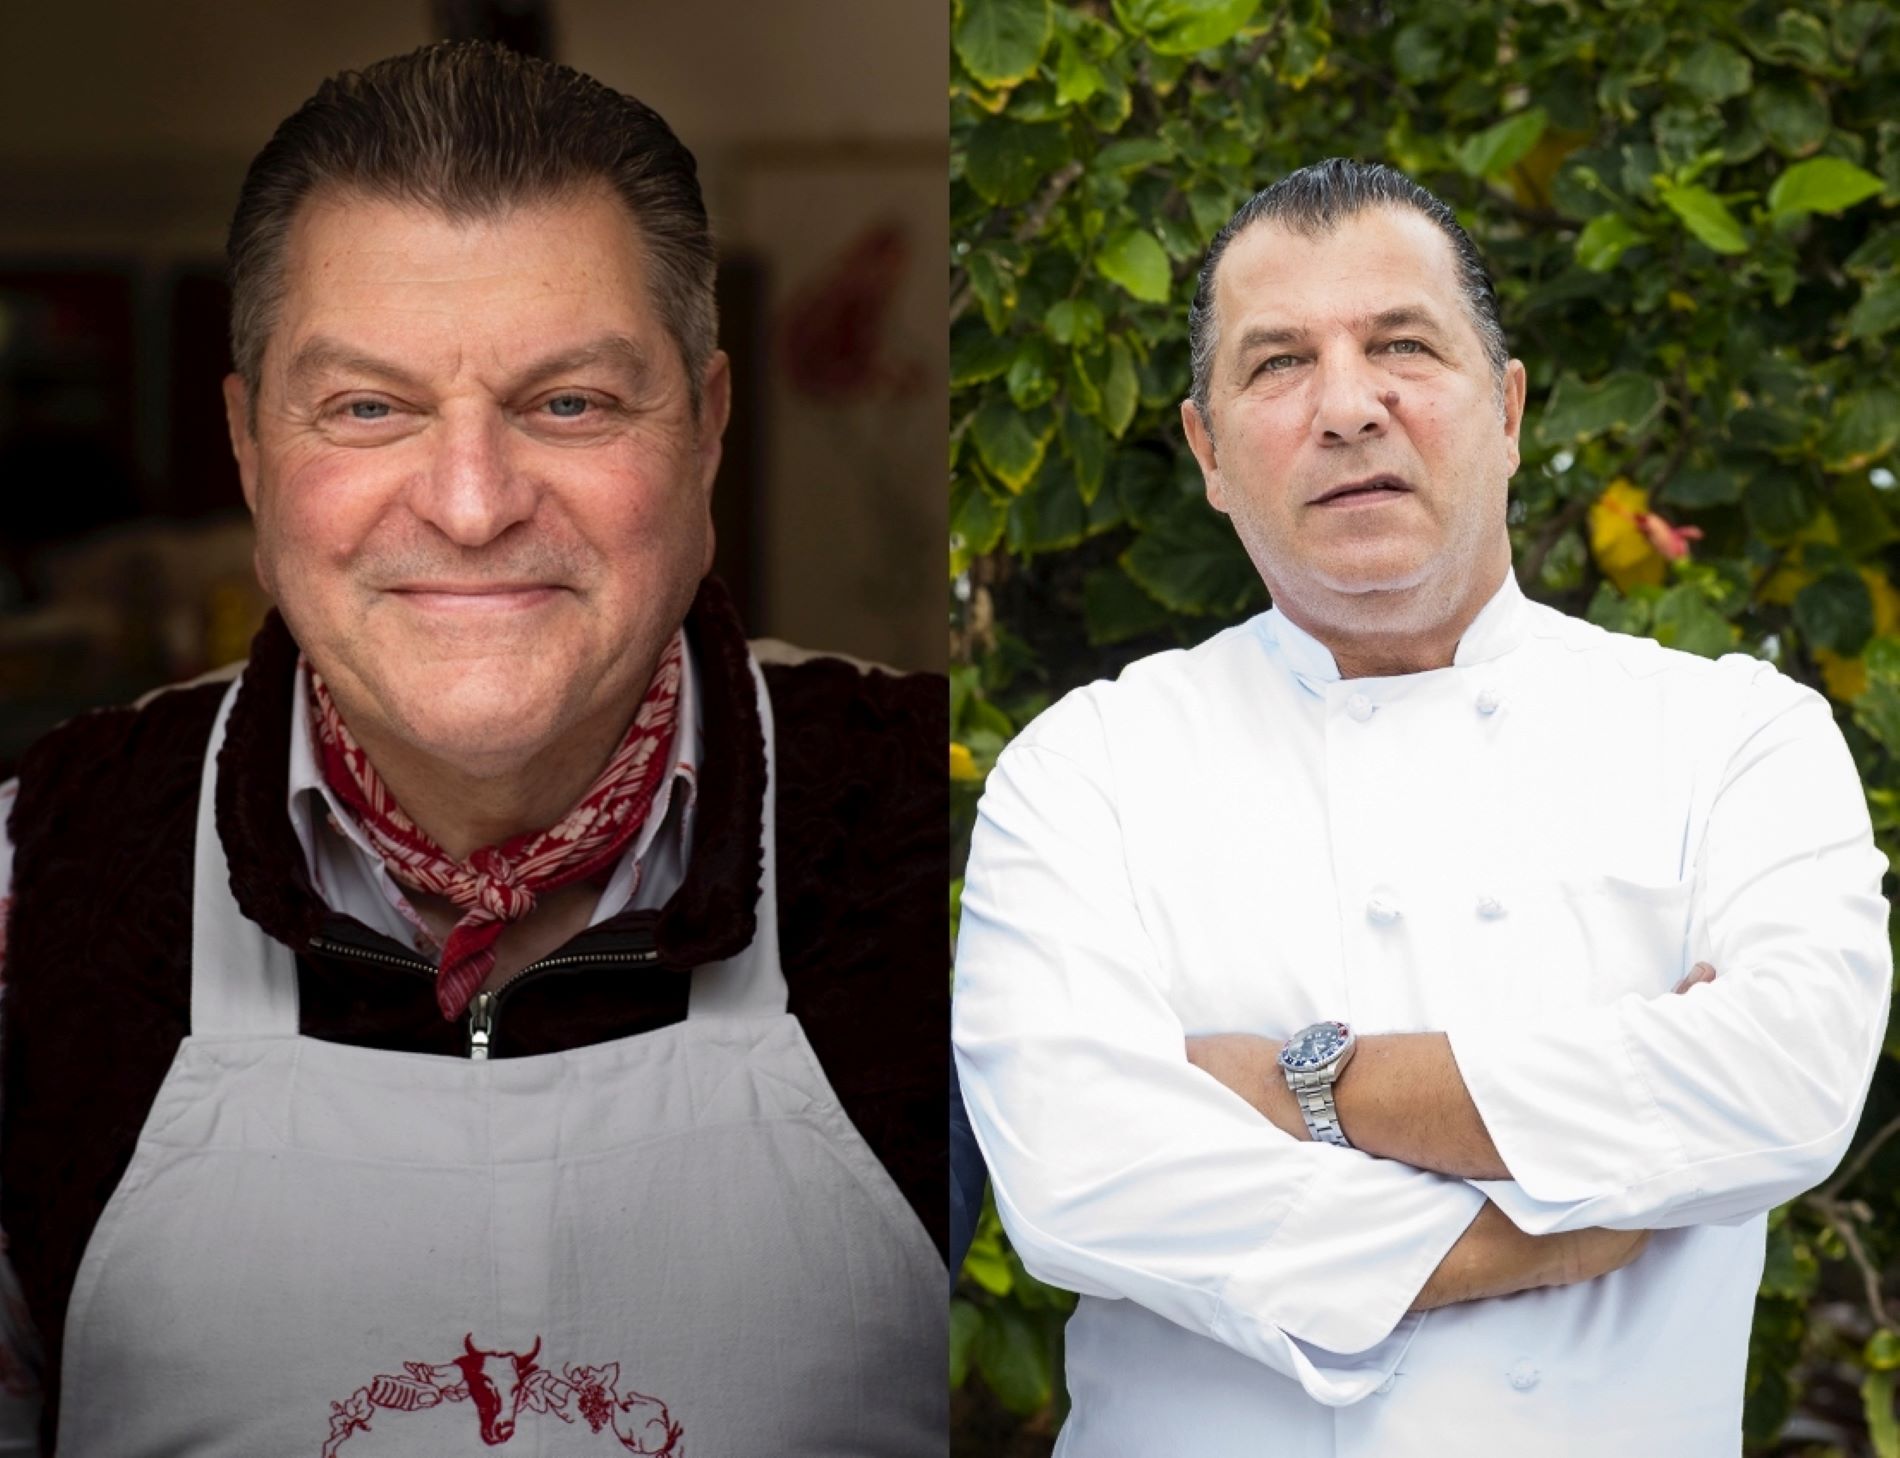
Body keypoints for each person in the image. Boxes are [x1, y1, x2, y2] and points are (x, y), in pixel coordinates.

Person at [0, 41, 945, 1456]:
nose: (470, 502)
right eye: (367, 408)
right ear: (250, 452)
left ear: (705, 433)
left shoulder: (946, 839)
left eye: (569, 403)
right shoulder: (35, 884)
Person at [952, 158, 1891, 1456]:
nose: (1348, 407)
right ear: (1209, 454)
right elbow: (1080, 1176)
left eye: (1402, 344)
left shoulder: (1735, 736)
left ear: (1507, 411)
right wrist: (1543, 1233)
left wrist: (1309, 1087)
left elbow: (1785, 1081)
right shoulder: (1084, 770)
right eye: (1279, 363)